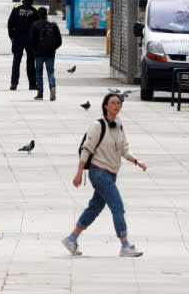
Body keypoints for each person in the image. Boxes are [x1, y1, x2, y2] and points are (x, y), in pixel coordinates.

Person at [62, 93, 147, 257]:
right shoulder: (97, 125)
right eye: (113, 103)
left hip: (111, 173)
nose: (117, 105)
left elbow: (125, 150)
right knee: (118, 207)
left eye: (118, 103)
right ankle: (125, 245)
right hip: (99, 172)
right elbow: (86, 149)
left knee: (94, 208)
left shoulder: (119, 126)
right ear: (106, 106)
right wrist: (79, 173)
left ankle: (71, 238)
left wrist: (137, 161)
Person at [28, 6, 62, 101]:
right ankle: (52, 87)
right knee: (50, 72)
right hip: (50, 53)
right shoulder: (53, 25)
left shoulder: (35, 25)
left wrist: (35, 50)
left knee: (38, 73)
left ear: (38, 15)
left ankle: (40, 94)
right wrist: (53, 48)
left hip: (39, 54)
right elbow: (59, 41)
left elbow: (31, 41)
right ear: (46, 14)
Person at [7, 0, 39, 91]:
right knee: (31, 62)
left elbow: (10, 24)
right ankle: (32, 84)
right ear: (33, 0)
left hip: (18, 38)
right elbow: (38, 26)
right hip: (30, 39)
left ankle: (14, 83)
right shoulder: (35, 10)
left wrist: (12, 37)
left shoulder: (17, 8)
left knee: (16, 61)